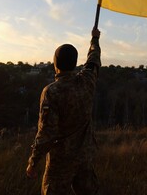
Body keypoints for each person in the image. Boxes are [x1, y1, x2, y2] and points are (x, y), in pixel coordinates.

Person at [26, 28, 101, 195]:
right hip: (85, 157)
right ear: (74, 63)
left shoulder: (51, 92)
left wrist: (33, 161)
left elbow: (46, 132)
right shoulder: (87, 82)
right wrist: (94, 40)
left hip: (60, 162)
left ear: (56, 63)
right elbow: (93, 61)